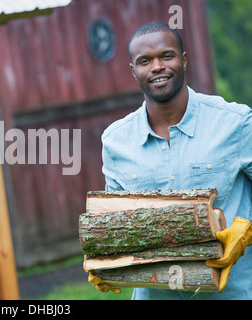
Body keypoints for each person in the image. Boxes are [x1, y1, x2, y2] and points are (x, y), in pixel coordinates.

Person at [87, 21, 252, 300]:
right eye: (144, 61)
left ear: (184, 60)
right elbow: (113, 222)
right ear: (133, 71)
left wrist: (245, 229)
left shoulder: (235, 123)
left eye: (167, 55)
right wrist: (104, 258)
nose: (157, 67)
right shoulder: (116, 141)